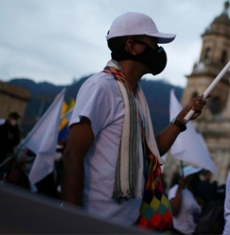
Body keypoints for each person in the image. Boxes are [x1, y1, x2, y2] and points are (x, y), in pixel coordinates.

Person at [62, 12, 208, 232]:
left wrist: (182, 117)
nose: (158, 50)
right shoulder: (101, 87)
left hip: (129, 222)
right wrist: (74, 223)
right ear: (131, 46)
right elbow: (73, 154)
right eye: (153, 43)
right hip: (94, 222)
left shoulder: (134, 97)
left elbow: (151, 149)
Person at [168, 165, 203, 234]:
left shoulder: (191, 193)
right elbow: (173, 211)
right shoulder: (176, 189)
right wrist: (179, 189)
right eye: (195, 176)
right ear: (188, 178)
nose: (198, 179)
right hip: (177, 231)